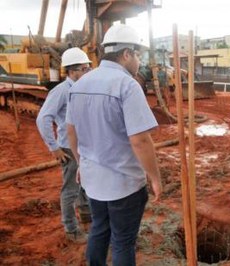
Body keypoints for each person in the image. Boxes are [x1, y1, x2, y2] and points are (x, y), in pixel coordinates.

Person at [66, 24, 162, 265]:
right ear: (127, 54)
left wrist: (81, 163)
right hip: (124, 184)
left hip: (93, 181)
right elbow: (140, 140)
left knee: (99, 229)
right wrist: (155, 176)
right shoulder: (127, 85)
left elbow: (71, 131)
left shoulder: (79, 86)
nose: (139, 60)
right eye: (138, 54)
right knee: (122, 241)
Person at [36, 47, 92, 244]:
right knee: (70, 190)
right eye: (84, 69)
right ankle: (71, 229)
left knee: (85, 183)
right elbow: (43, 118)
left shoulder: (82, 88)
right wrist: (53, 147)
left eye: (88, 69)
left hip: (84, 146)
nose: (87, 73)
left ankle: (86, 216)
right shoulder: (61, 91)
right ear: (72, 71)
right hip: (68, 148)